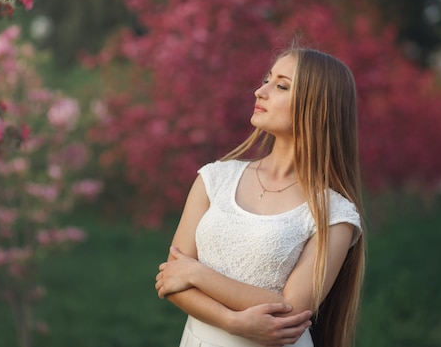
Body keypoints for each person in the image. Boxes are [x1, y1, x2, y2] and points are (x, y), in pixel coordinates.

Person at [155, 45, 365, 347]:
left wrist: (199, 275)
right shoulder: (215, 178)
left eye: (280, 86)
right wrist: (232, 322)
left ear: (318, 105)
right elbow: (171, 279)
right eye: (267, 79)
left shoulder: (334, 213)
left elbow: (292, 310)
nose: (259, 91)